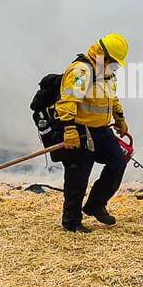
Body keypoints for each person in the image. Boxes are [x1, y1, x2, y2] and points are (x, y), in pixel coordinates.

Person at [55, 33, 130, 232]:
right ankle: (71, 222)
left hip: (102, 130)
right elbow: (68, 101)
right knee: (78, 177)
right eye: (114, 62)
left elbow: (112, 98)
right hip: (80, 130)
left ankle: (96, 203)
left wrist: (120, 118)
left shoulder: (105, 72)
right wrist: (69, 128)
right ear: (103, 55)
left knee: (118, 162)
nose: (115, 66)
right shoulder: (82, 72)